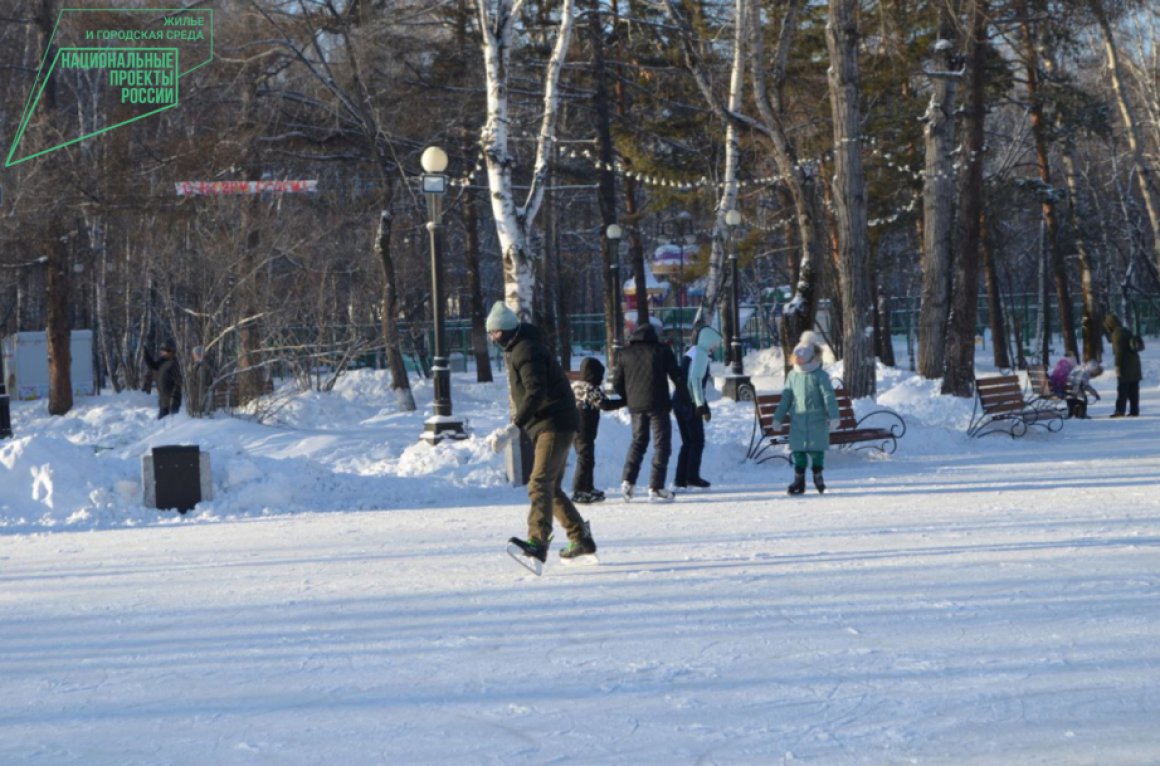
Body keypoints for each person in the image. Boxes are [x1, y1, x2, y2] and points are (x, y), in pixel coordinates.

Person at [484, 301, 597, 565]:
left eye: (495, 333)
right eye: (490, 334)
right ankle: (580, 537)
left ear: (507, 330)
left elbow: (536, 391)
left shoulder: (525, 350)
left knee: (539, 482)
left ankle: (537, 541)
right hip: (553, 421)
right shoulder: (521, 347)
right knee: (551, 487)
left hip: (553, 423)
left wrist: (514, 426)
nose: (492, 339)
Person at [612, 322, 682, 503]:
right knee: (662, 444)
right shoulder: (662, 350)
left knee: (638, 442)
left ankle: (628, 481)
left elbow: (617, 383)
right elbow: (676, 375)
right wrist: (683, 394)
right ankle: (656, 486)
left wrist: (629, 397)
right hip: (658, 404)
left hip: (636, 406)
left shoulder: (625, 353)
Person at [772, 331, 839, 495]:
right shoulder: (793, 376)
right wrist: (778, 418)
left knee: (817, 451)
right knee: (798, 451)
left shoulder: (820, 376)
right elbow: (786, 399)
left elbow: (829, 397)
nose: (798, 361)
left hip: (817, 420)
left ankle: (818, 475)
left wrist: (834, 416)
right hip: (798, 421)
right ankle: (798, 479)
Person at [672, 324, 722, 490]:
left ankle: (680, 478)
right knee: (697, 441)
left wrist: (704, 405)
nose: (715, 348)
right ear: (708, 341)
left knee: (687, 442)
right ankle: (692, 476)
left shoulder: (690, 352)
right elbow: (695, 380)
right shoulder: (700, 354)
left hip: (679, 401)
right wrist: (700, 405)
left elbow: (688, 379)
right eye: (715, 344)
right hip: (690, 403)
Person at [569, 356, 624, 504]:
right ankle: (578, 490)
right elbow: (605, 405)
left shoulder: (576, 386)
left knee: (588, 459)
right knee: (584, 459)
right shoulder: (590, 388)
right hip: (584, 430)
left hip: (577, 429)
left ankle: (588, 487)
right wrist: (624, 402)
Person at [1104, 314, 1143, 417]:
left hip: (1125, 366)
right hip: (1135, 364)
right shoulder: (1126, 330)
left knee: (1122, 389)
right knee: (1133, 390)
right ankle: (1134, 411)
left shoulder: (1117, 334)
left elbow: (1119, 351)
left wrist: (1117, 366)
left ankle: (1119, 411)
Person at [143, 340, 182, 419]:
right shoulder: (163, 361)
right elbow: (153, 365)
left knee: (169, 427)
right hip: (163, 401)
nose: (161, 353)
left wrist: (174, 402)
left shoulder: (174, 364)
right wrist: (146, 354)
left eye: (164, 351)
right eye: (161, 351)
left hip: (170, 404)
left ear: (170, 352)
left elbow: (178, 385)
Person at [187, 345, 215, 417]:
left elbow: (202, 382)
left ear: (198, 355)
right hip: (197, 394)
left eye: (194, 355)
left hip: (202, 394)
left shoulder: (203, 366)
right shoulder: (198, 365)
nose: (193, 356)